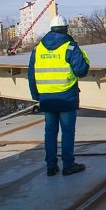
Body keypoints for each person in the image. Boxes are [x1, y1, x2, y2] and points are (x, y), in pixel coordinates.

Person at [28, 15, 90, 177]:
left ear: (51, 29)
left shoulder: (38, 49)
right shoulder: (70, 47)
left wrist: (37, 96)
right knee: (67, 131)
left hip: (47, 98)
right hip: (66, 97)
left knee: (50, 132)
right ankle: (68, 165)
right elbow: (81, 70)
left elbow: (31, 75)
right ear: (66, 29)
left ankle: (51, 166)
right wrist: (83, 55)